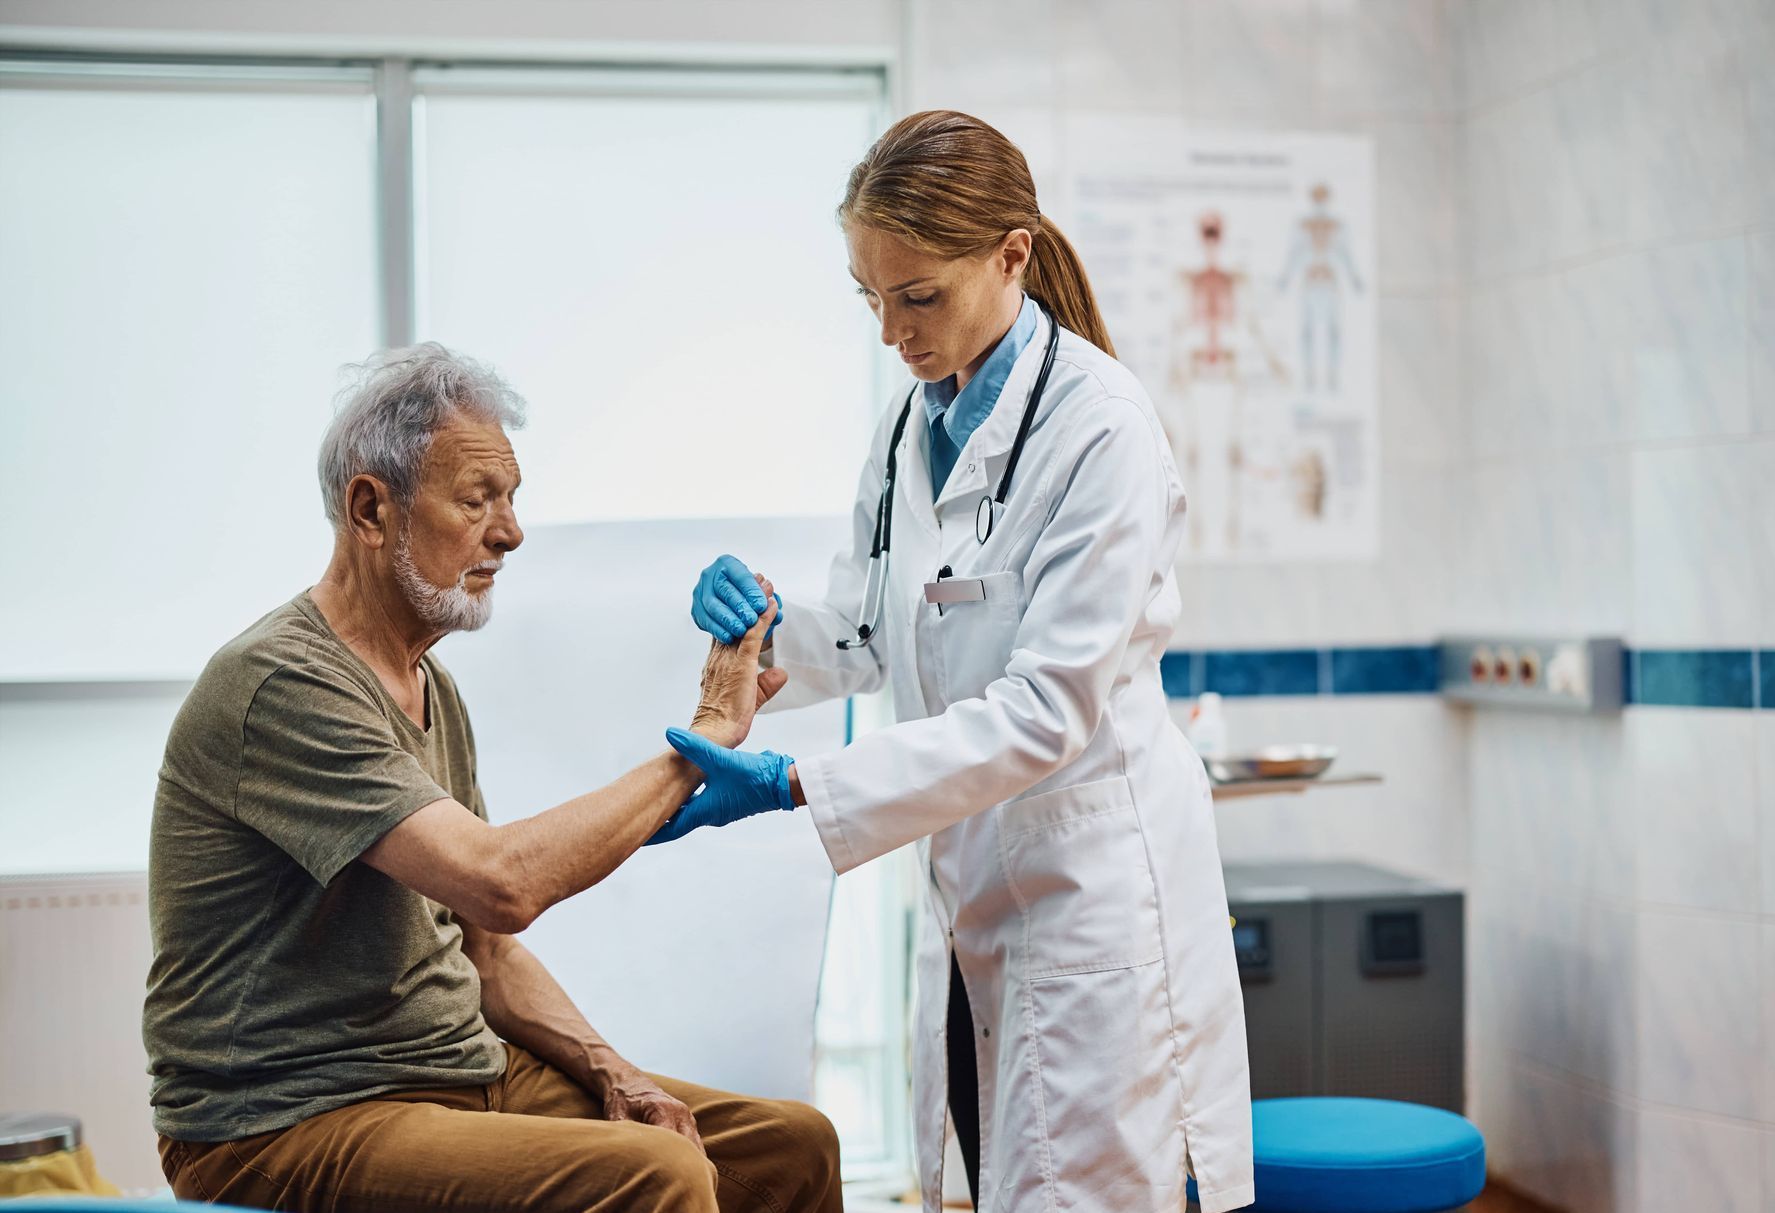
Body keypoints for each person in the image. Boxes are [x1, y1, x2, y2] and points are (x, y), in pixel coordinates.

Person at [668, 112, 1254, 1213]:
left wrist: (801, 783)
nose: (890, 330)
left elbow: (1044, 711)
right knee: (985, 1183)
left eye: (917, 295)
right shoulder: (909, 429)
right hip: (971, 896)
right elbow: (872, 631)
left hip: (1091, 908)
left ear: (1010, 256)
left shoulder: (1100, 430)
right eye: (869, 298)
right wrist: (765, 621)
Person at [142, 344, 841, 1213]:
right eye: (478, 500)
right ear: (371, 508)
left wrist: (615, 1074)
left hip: (459, 1071)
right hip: (288, 1118)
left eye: (510, 501)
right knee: (652, 1175)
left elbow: (487, 945)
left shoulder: (430, 684)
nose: (509, 532)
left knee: (790, 1147)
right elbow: (502, 884)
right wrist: (703, 739)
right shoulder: (283, 683)